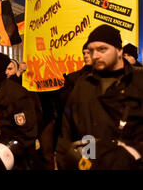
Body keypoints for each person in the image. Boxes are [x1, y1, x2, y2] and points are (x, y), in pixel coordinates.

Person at [56, 25, 143, 170]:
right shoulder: (83, 85)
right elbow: (66, 131)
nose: (95, 55)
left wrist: (132, 155)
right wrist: (67, 159)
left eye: (102, 49)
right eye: (91, 50)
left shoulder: (138, 82)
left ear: (119, 50)